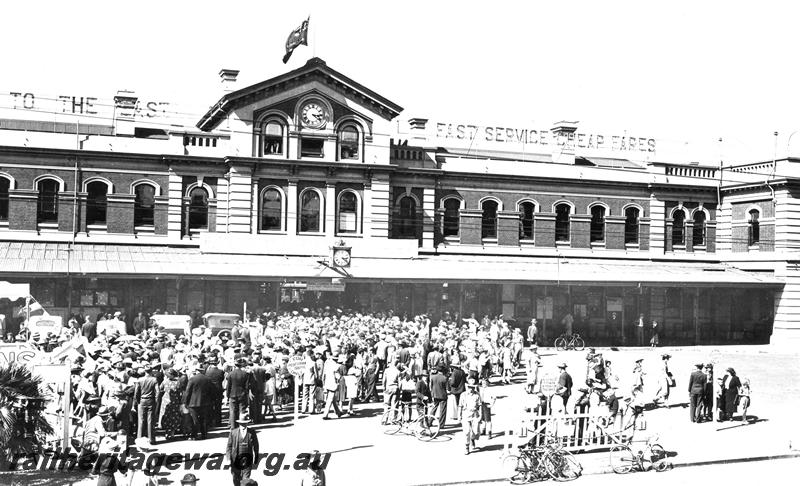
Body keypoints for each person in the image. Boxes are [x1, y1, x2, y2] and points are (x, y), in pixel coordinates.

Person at [225, 413, 259, 486]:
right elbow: (229, 446)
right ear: (239, 423)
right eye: (241, 424)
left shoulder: (252, 432)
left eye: (245, 423)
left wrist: (256, 457)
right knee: (236, 479)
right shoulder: (233, 432)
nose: (243, 425)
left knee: (245, 480)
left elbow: (256, 445)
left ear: (247, 423)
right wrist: (228, 458)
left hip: (247, 460)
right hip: (235, 460)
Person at [183, 366, 211, 440]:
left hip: (193, 402)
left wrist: (185, 402)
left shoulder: (192, 379)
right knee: (203, 419)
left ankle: (194, 435)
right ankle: (204, 434)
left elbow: (188, 391)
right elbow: (211, 391)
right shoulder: (207, 379)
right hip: (205, 402)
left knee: (194, 419)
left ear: (197, 371)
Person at [134, 363, 159, 445]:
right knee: (150, 420)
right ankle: (151, 439)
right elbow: (157, 392)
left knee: (141, 420)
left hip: (142, 400)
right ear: (151, 371)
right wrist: (155, 400)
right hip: (151, 400)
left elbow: (136, 393)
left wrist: (138, 401)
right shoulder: (154, 380)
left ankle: (139, 438)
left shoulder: (139, 380)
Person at [460, 379, 482, 455]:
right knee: (466, 432)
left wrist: (480, 416)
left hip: (474, 414)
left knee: (476, 432)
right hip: (466, 414)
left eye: (472, 387)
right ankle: (467, 447)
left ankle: (472, 439)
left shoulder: (477, 395)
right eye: (469, 387)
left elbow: (480, 406)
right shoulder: (463, 395)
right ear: (467, 387)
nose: (471, 389)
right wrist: (459, 416)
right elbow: (460, 406)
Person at [227, 358, 251, 427]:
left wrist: (228, 395)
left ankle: (233, 426)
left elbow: (228, 386)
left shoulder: (231, 374)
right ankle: (242, 425)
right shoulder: (245, 374)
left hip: (232, 394)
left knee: (232, 411)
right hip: (242, 394)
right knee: (242, 411)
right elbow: (247, 386)